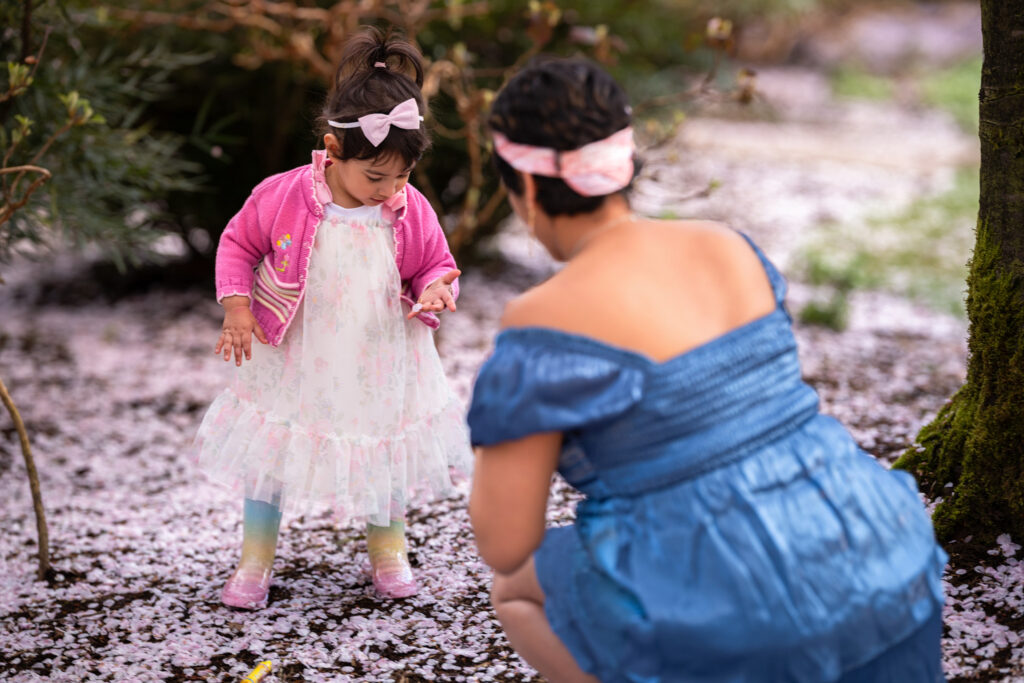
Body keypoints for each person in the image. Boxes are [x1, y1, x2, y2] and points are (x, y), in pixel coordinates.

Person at [466, 58, 946, 683]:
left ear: (525, 190)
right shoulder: (729, 245)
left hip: (719, 598)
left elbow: (504, 543)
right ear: (626, 163)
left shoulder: (542, 323)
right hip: (875, 548)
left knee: (517, 590)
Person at [193, 27, 472, 609]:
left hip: (375, 351)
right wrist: (237, 306)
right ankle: (255, 557)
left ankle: (388, 548)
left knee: (380, 441)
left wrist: (436, 290)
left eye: (402, 176)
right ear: (334, 149)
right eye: (376, 177)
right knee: (274, 444)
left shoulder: (406, 206)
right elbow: (239, 244)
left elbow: (434, 265)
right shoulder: (285, 194)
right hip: (296, 350)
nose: (390, 189)